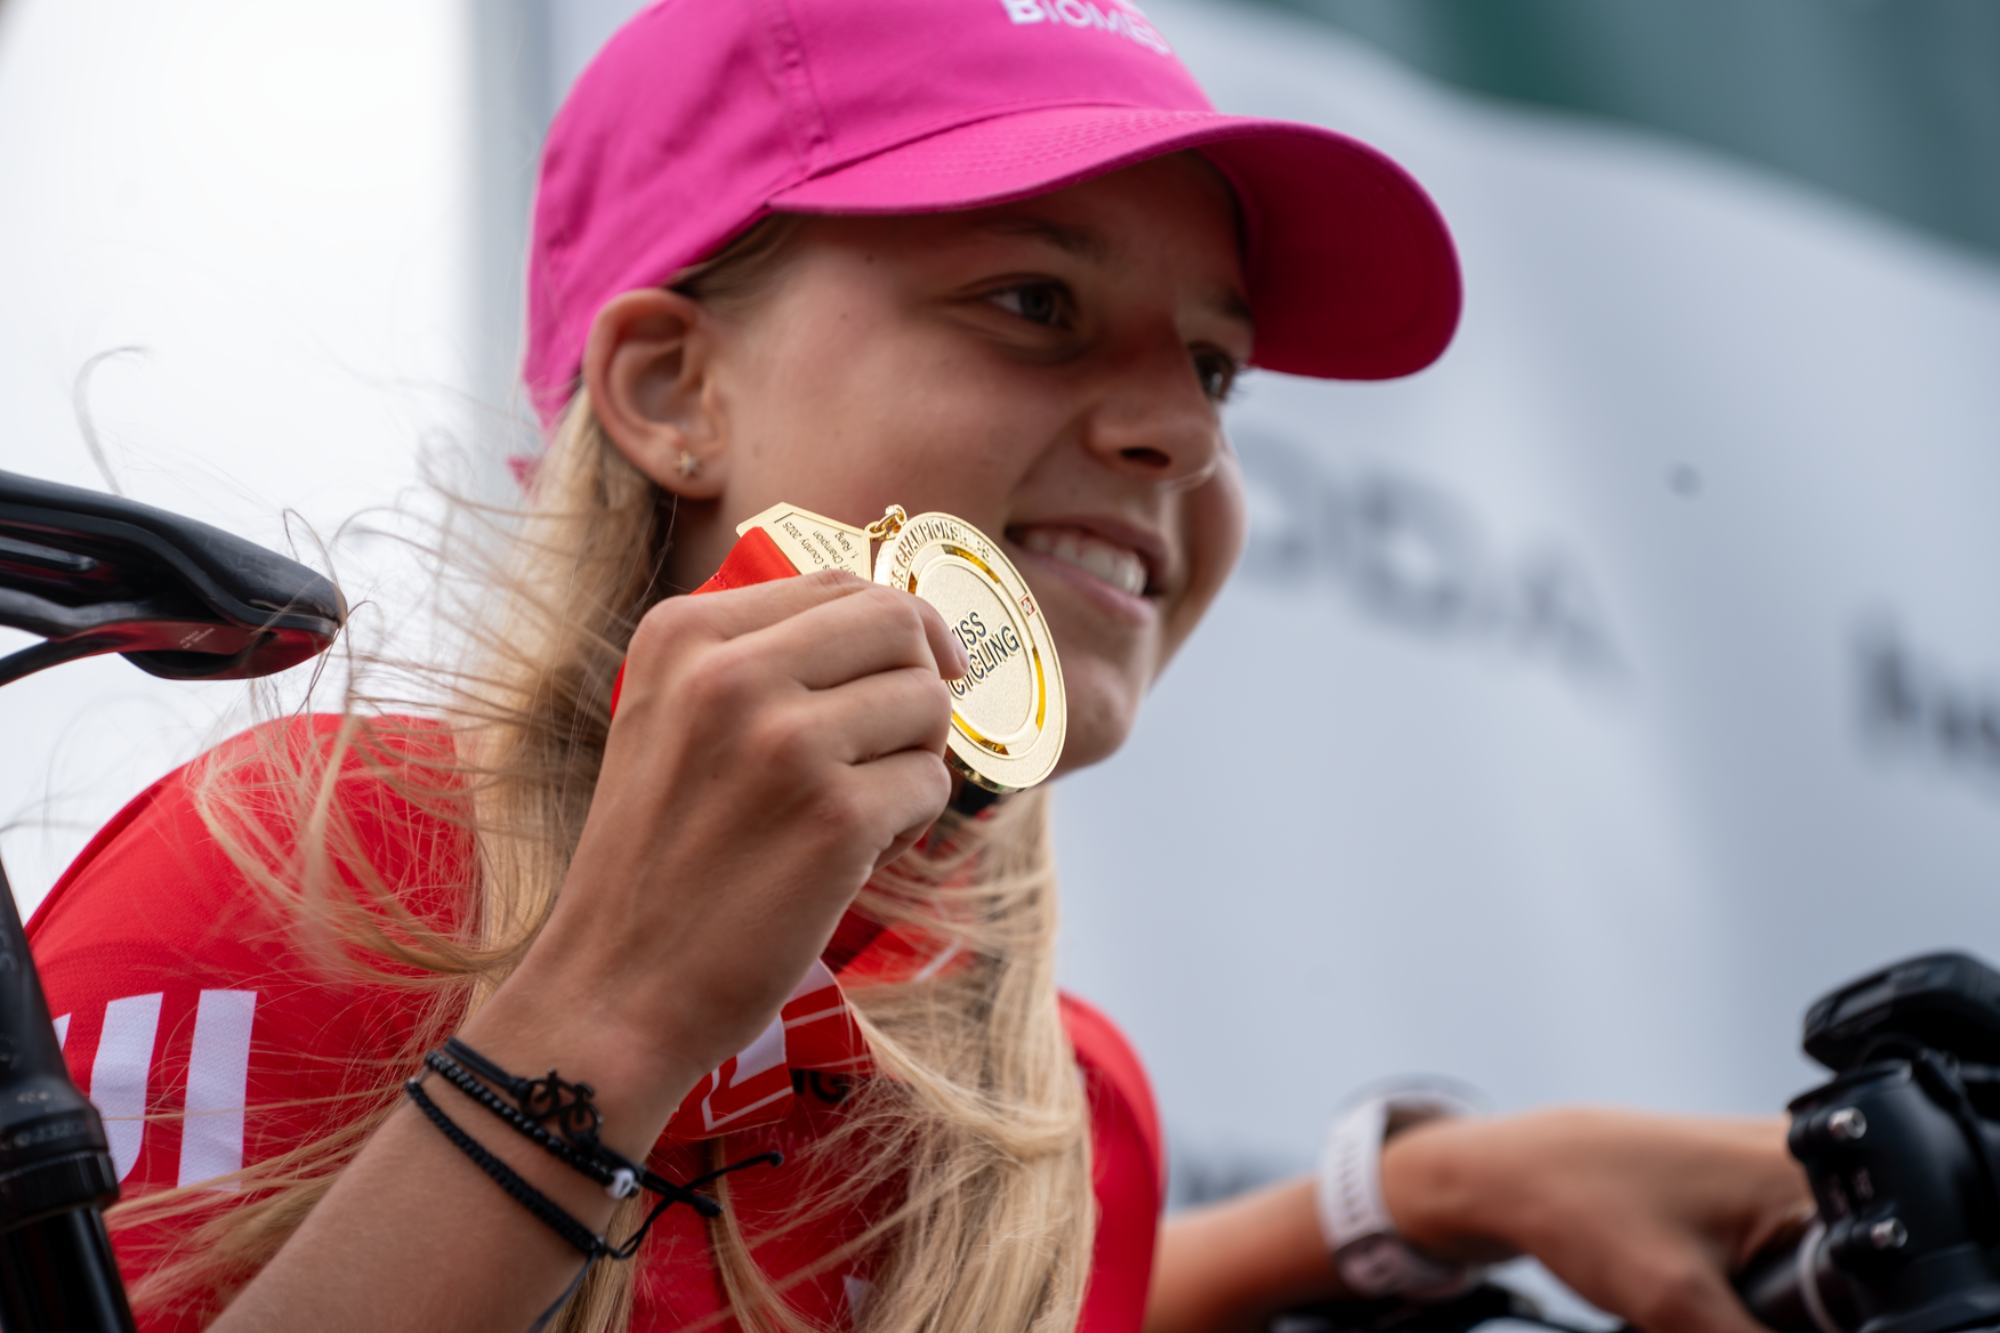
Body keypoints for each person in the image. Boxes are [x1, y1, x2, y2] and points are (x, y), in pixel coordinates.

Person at [27, 1, 1809, 1331]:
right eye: (1034, 303)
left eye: (1214, 367)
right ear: (671, 390)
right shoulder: (318, 864)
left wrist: (1422, 1191)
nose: (1184, 436)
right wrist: (612, 1023)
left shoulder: (1066, 1108)